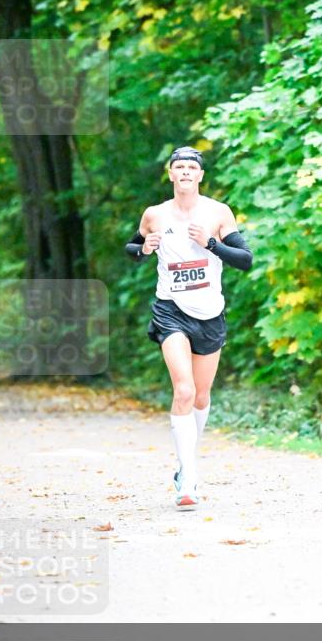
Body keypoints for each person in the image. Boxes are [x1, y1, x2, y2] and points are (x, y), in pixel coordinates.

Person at [126, 147, 252, 510]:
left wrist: (210, 244)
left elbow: (245, 260)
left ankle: (188, 465)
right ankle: (188, 475)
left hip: (210, 313)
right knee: (183, 390)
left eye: (191, 167)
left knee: (200, 396)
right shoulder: (155, 214)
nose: (184, 172)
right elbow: (132, 248)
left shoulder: (217, 212)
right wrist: (142, 249)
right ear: (170, 175)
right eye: (178, 167)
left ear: (199, 176)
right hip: (170, 311)